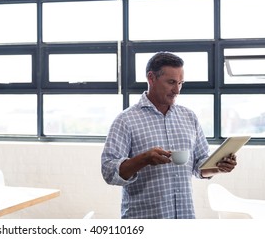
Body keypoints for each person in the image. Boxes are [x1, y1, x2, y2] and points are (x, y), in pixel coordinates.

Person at [101, 51, 237, 219]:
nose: (177, 90)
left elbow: (199, 166)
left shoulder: (189, 117)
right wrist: (144, 159)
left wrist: (219, 167)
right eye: (171, 82)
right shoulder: (126, 120)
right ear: (151, 78)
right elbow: (108, 171)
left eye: (180, 83)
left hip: (184, 219)